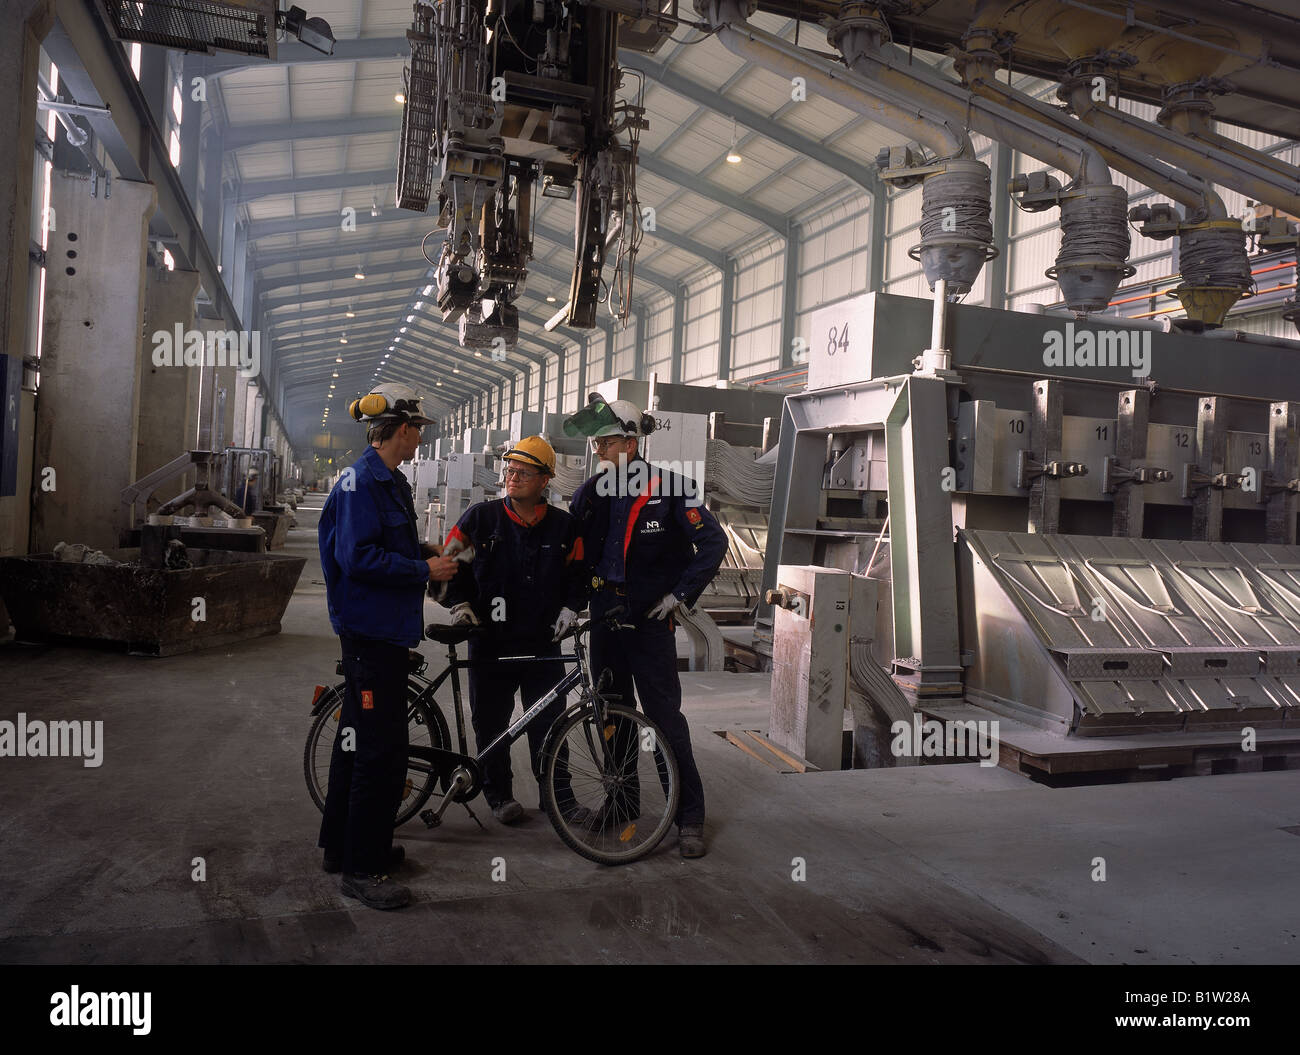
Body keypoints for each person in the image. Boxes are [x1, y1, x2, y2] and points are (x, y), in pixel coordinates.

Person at [566, 395, 727, 858]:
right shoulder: (591, 494)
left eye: (607, 441)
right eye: (597, 443)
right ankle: (621, 805)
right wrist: (571, 604)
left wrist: (680, 595)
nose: (598, 450)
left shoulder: (673, 489)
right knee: (612, 713)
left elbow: (711, 544)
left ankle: (689, 818)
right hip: (605, 618)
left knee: (663, 721)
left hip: (651, 622)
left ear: (632, 442)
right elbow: (579, 558)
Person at [317, 383, 458, 910]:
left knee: (354, 744)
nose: (420, 439)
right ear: (402, 430)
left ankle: (341, 847)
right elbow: (358, 559)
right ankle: (363, 868)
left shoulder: (390, 481)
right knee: (380, 753)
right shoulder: (360, 484)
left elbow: (385, 545)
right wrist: (424, 569)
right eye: (418, 430)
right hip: (370, 636)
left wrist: (423, 551)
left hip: (384, 634)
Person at [435, 436, 588, 823]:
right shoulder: (480, 520)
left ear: (545, 480)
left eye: (523, 472)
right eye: (510, 471)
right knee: (492, 724)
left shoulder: (563, 527)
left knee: (550, 724)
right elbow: (448, 564)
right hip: (490, 643)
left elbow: (578, 575)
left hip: (542, 644)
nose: (513, 477)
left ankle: (558, 797)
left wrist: (572, 606)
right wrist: (459, 604)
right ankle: (499, 795)